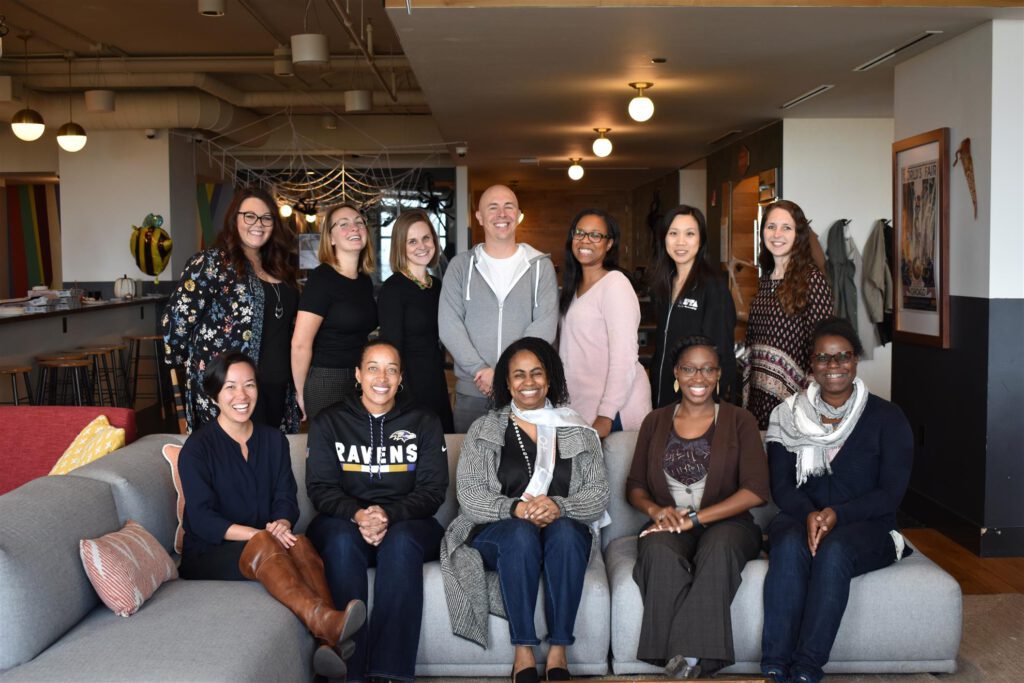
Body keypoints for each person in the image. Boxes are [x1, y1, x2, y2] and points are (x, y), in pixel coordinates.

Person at [177, 351, 365, 680]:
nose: (241, 396)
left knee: (302, 542)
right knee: (269, 542)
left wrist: (282, 523)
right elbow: (203, 519)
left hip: (267, 542)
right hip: (210, 552)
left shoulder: (273, 439)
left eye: (249, 385)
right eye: (231, 387)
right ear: (214, 395)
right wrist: (260, 535)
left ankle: (326, 643)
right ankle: (329, 625)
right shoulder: (198, 448)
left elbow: (285, 497)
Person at [440, 337, 610, 683]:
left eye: (536, 374)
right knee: (521, 534)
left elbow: (598, 494)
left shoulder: (578, 429)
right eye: (519, 375)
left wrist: (560, 506)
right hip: (498, 532)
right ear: (506, 382)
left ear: (550, 379)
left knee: (564, 533)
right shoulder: (484, 429)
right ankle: (523, 651)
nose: (528, 382)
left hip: (560, 525)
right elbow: (469, 496)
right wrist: (515, 508)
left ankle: (559, 651)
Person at [760, 318, 913, 683]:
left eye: (843, 357)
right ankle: (775, 663)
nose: (834, 367)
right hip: (799, 517)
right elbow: (781, 488)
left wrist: (835, 515)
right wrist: (812, 514)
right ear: (810, 363)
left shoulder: (888, 418)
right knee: (788, 545)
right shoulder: (786, 416)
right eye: (824, 359)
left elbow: (890, 494)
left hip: (869, 527)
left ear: (856, 361)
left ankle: (806, 667)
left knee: (834, 551)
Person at [305, 340, 448, 683]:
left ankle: (389, 674)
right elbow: (321, 489)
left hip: (408, 524)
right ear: (357, 375)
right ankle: (348, 673)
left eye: (391, 369)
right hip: (344, 522)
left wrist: (387, 515)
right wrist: (358, 515)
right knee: (339, 540)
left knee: (400, 543)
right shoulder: (330, 421)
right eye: (373, 368)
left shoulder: (424, 421)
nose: (381, 377)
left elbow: (433, 491)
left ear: (401, 378)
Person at [627, 336, 769, 678]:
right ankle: (692, 656)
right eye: (689, 369)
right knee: (657, 549)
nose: (699, 378)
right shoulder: (654, 422)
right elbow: (635, 487)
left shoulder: (739, 420)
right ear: (676, 372)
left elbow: (756, 491)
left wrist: (696, 519)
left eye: (708, 369)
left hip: (729, 524)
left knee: (718, 548)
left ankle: (687, 657)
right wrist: (655, 512)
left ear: (719, 374)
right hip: (670, 522)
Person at [162, 187, 300, 433]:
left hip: (277, 388)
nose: (258, 223)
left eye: (266, 217)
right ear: (233, 219)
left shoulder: (280, 268)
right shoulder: (211, 263)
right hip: (232, 392)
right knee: (231, 463)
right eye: (249, 216)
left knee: (269, 460)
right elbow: (175, 323)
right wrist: (199, 376)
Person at [439, 184, 559, 432]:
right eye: (492, 208)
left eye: (509, 207)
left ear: (518, 215)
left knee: (522, 468)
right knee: (470, 468)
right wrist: (481, 370)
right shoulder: (460, 267)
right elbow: (449, 325)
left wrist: (506, 373)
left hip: (525, 392)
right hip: (473, 391)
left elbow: (545, 327)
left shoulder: (540, 267)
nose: (501, 214)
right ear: (480, 217)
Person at [558, 208, 651, 437]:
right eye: (579, 233)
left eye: (595, 235)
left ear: (609, 244)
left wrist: (606, 415)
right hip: (580, 409)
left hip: (614, 413)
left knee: (613, 473)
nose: (585, 240)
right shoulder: (572, 287)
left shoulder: (615, 284)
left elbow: (625, 357)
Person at [745, 199, 833, 430]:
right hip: (758, 400)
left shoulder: (812, 280)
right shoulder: (765, 280)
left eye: (787, 227)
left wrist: (810, 406)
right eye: (771, 226)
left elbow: (823, 347)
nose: (777, 234)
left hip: (796, 404)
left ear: (798, 234)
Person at [291, 202, 378, 422]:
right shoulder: (322, 279)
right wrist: (301, 393)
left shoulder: (365, 281)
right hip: (327, 381)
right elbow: (300, 343)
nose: (355, 228)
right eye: (344, 224)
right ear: (330, 238)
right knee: (329, 454)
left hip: (360, 378)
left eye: (359, 223)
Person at [649, 206, 737, 409]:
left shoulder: (712, 286)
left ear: (701, 240)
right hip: (663, 397)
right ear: (664, 239)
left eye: (689, 234)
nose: (680, 242)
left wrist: (708, 402)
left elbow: (721, 353)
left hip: (696, 403)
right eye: (673, 233)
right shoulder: (665, 283)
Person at [378, 210, 454, 433]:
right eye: (412, 241)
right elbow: (393, 350)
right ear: (400, 246)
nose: (421, 246)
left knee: (442, 446)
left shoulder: (437, 286)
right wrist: (402, 395)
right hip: (408, 386)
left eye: (426, 238)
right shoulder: (393, 289)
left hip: (436, 379)